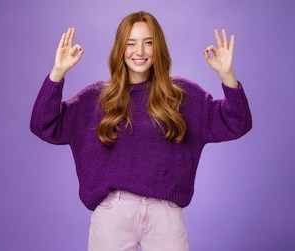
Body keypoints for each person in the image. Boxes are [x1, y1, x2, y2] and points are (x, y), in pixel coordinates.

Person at [29, 11, 252, 251]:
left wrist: (227, 76)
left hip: (165, 216)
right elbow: (43, 124)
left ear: (159, 48)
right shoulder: (96, 98)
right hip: (113, 214)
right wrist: (57, 74)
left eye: (148, 43)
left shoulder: (182, 96)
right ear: (120, 49)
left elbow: (237, 122)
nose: (140, 52)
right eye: (131, 43)